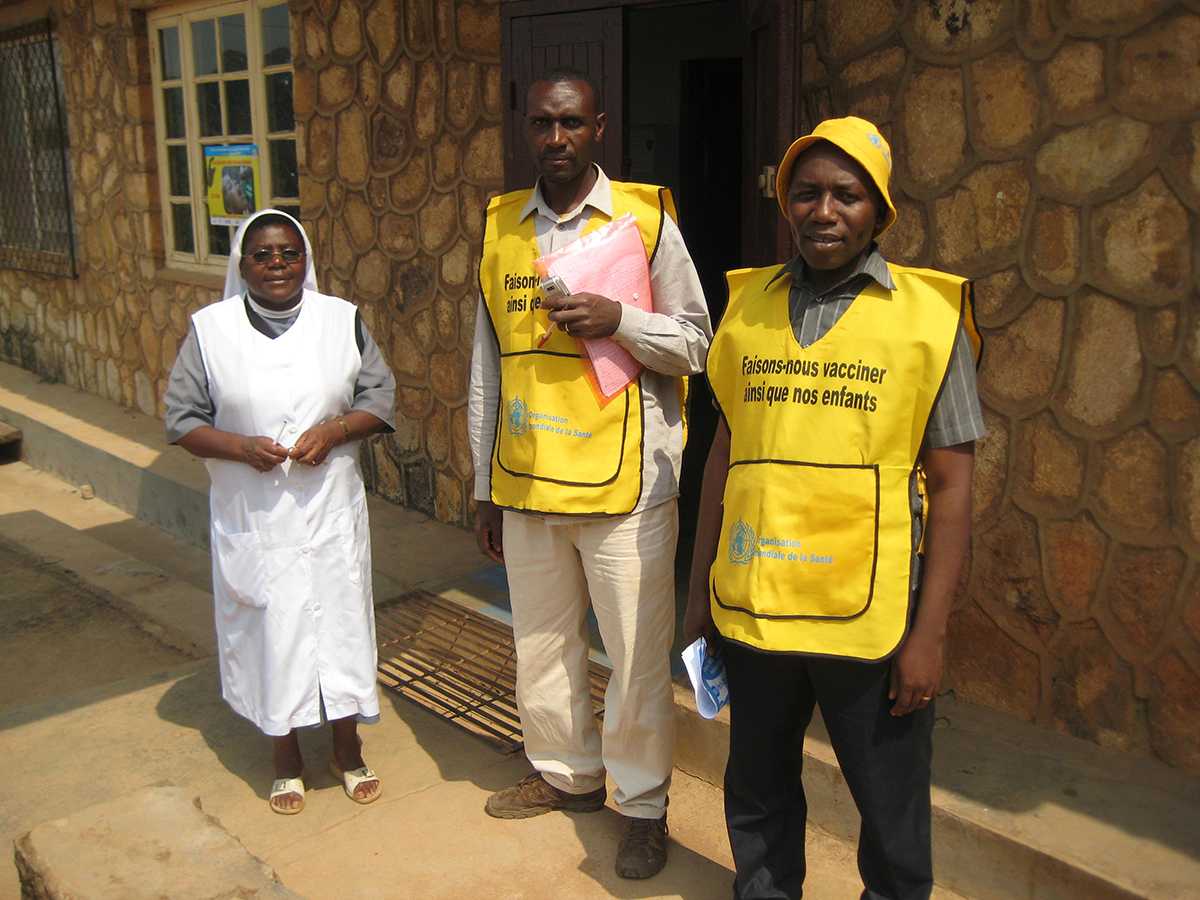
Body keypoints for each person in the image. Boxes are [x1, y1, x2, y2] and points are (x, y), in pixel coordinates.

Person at [684, 117, 984, 899]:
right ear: (785, 204)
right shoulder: (745, 308)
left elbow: (952, 489)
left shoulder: (929, 319)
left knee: (890, 814)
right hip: (756, 607)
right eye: (807, 193)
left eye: (847, 196)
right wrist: (696, 601)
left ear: (879, 212)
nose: (825, 211)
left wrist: (930, 637)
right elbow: (723, 457)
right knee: (757, 795)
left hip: (872, 618)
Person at [468, 69, 712, 879]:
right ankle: (568, 776)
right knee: (541, 644)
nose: (555, 138)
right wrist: (484, 484)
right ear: (527, 130)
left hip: (627, 489)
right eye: (541, 123)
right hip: (530, 479)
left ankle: (641, 806)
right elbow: (486, 368)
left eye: (570, 123)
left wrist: (621, 321)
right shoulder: (503, 227)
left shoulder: (644, 220)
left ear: (598, 126)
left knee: (636, 661)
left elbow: (696, 344)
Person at [164, 209, 396, 815]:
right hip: (256, 514)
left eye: (289, 254)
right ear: (242, 265)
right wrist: (240, 448)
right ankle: (285, 756)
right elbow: (182, 419)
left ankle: (348, 748)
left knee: (341, 623)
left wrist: (338, 428)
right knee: (271, 630)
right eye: (263, 255)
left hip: (329, 511)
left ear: (306, 260)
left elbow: (381, 396)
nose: (277, 266)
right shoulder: (210, 331)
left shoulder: (340, 320)